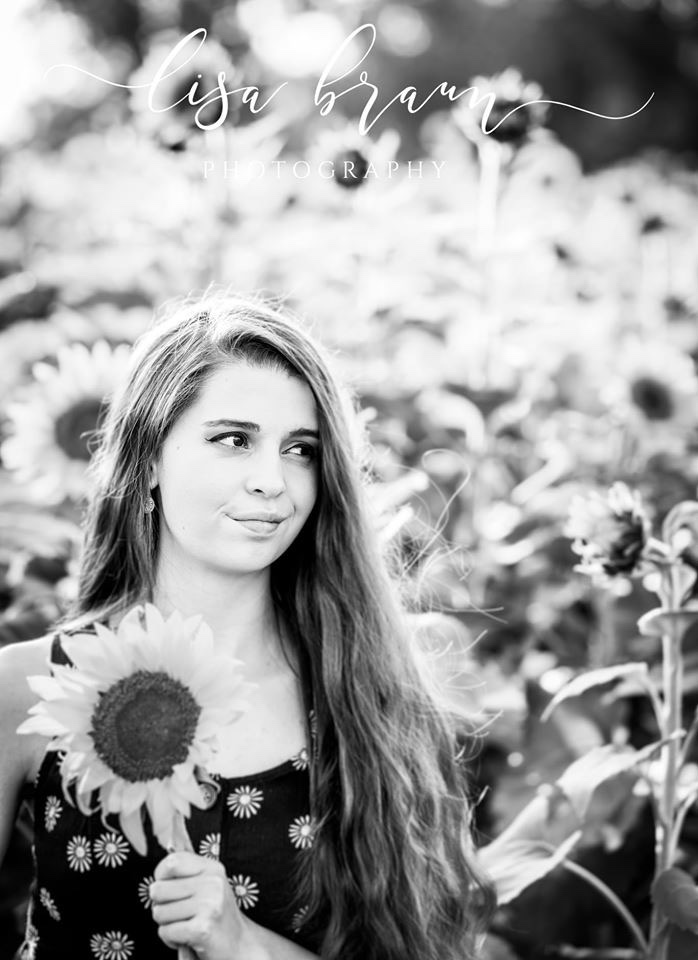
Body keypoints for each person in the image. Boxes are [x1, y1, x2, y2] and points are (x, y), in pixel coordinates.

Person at [0, 294, 494, 960]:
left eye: (301, 450)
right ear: (149, 458)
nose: (272, 481)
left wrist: (242, 945)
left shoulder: (367, 694)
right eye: (233, 440)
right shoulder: (28, 687)